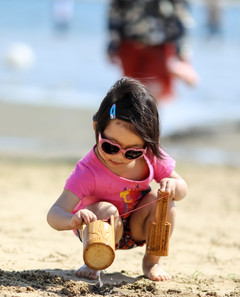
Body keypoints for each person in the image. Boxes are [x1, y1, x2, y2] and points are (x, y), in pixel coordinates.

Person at [47, 77, 188, 281]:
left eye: (132, 152)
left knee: (165, 200)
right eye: (110, 147)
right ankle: (94, 262)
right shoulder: (87, 171)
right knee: (108, 210)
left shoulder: (149, 156)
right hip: (97, 231)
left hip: (136, 228)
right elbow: (54, 214)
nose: (119, 156)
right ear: (97, 127)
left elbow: (183, 189)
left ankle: (152, 262)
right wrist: (72, 220)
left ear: (147, 144)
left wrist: (174, 186)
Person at [107, 0, 199, 102]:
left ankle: (153, 115)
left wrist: (184, 56)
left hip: (160, 45)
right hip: (129, 44)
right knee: (132, 94)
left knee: (154, 94)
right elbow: (115, 10)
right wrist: (113, 44)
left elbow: (182, 13)